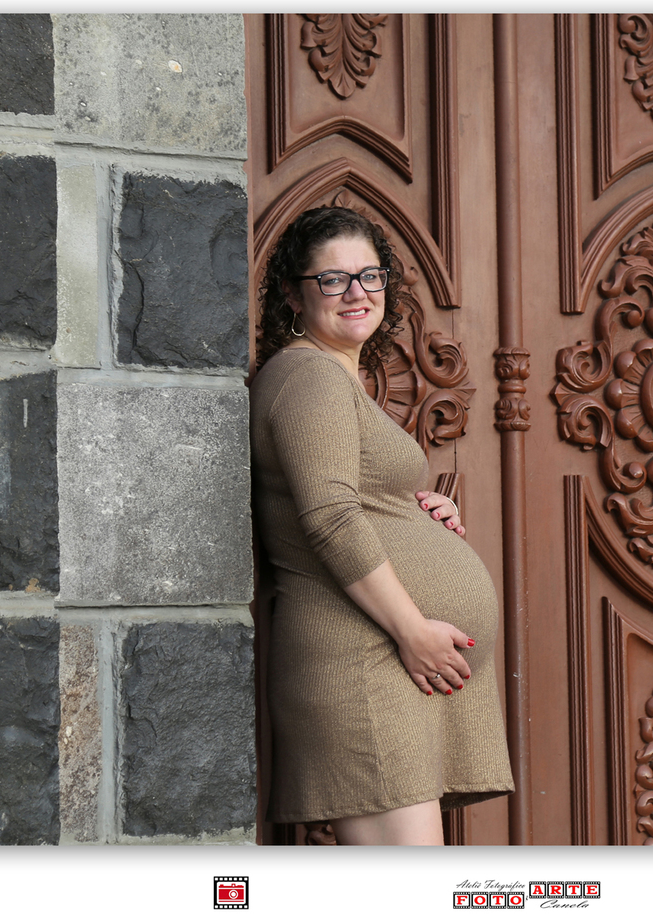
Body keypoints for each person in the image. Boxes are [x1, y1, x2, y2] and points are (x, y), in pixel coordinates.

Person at [250, 205, 513, 845]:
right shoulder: (307, 375)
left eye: (369, 275)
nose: (357, 292)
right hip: (364, 659)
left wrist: (416, 510)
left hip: (386, 660)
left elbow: (350, 496)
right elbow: (331, 516)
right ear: (292, 292)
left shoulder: (335, 378)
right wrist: (414, 630)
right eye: (332, 279)